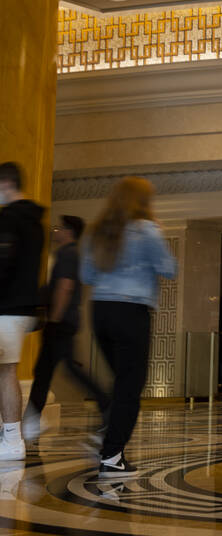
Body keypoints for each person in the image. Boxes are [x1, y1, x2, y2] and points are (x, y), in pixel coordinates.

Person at [80, 177, 177, 477]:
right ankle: (111, 455)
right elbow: (170, 268)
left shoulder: (98, 230)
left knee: (121, 382)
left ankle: (106, 434)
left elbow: (86, 274)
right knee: (129, 387)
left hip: (100, 311)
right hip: (131, 312)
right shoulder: (147, 229)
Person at [24, 215, 110, 441]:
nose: (55, 231)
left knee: (63, 369)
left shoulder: (68, 254)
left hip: (61, 322)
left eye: (59, 228)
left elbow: (65, 287)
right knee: (45, 371)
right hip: (64, 321)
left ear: (69, 231)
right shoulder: (69, 254)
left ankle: (105, 403)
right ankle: (31, 420)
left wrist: (54, 319)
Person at [0, 162, 45, 461]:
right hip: (22, 307)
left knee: (5, 372)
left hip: (5, 306)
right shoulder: (35, 222)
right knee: (6, 370)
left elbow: (3, 265)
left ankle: (12, 440)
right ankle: (9, 437)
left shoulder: (8, 219)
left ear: (5, 183)